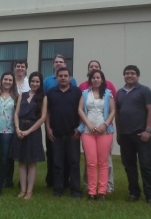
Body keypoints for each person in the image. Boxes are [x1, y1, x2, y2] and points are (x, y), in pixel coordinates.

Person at [115, 65, 151, 206]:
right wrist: (118, 133)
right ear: (124, 76)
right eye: (127, 73)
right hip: (125, 136)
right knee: (129, 166)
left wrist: (148, 130)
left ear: (137, 76)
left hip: (141, 135)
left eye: (133, 73)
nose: (130, 75)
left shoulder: (145, 91)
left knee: (146, 165)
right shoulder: (120, 93)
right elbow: (117, 114)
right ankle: (134, 193)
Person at [78, 60, 116, 193]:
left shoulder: (108, 93)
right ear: (90, 79)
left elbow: (113, 111)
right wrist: (88, 124)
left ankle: (102, 191)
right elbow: (80, 110)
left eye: (98, 77)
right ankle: (92, 191)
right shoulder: (84, 93)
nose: (95, 80)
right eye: (93, 77)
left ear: (102, 79)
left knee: (103, 163)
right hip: (88, 132)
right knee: (91, 162)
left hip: (104, 132)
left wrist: (105, 125)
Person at [46, 67, 82, 198]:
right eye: (60, 76)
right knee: (57, 163)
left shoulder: (77, 92)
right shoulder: (51, 92)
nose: (63, 78)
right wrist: (48, 128)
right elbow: (47, 112)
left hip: (73, 134)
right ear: (56, 78)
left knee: (74, 163)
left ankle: (76, 190)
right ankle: (58, 189)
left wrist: (80, 128)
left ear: (70, 78)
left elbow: (81, 112)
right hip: (56, 133)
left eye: (65, 76)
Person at [43, 54, 77, 187]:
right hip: (53, 124)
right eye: (56, 62)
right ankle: (51, 181)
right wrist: (48, 126)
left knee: (69, 157)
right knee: (52, 154)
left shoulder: (72, 81)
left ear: (65, 64)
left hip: (69, 125)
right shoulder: (47, 81)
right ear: (53, 65)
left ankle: (67, 181)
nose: (59, 64)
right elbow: (46, 104)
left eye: (61, 62)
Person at [12, 71, 47, 199]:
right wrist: (17, 128)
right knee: (21, 161)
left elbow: (43, 118)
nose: (35, 84)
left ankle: (29, 191)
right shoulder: (23, 95)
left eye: (37, 81)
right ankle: (22, 190)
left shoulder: (43, 97)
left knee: (31, 162)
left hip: (33, 131)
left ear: (40, 83)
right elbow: (16, 113)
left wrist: (28, 131)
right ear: (30, 82)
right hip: (20, 129)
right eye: (33, 81)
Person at [4, 60, 30, 188]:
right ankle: (7, 179)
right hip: (8, 119)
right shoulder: (9, 81)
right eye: (18, 66)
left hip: (24, 121)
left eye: (22, 66)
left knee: (23, 151)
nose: (20, 68)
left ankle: (23, 181)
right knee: (8, 151)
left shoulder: (29, 84)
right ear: (14, 68)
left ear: (26, 69)